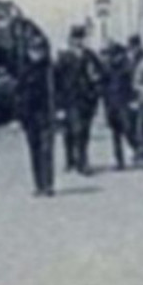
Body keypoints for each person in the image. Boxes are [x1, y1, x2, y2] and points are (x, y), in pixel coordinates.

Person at [13, 25, 59, 197]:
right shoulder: (24, 71)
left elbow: (58, 91)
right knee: (34, 151)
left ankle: (48, 184)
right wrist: (18, 117)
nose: (36, 54)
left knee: (47, 150)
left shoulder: (50, 70)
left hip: (46, 114)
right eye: (33, 50)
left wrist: (59, 111)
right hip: (30, 118)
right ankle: (38, 184)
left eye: (39, 50)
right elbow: (18, 95)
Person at [55, 24, 103, 175]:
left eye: (81, 38)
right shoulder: (64, 57)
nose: (78, 42)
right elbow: (56, 81)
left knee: (84, 130)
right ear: (70, 40)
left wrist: (96, 86)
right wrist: (58, 105)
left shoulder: (90, 55)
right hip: (69, 99)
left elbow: (101, 73)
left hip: (87, 99)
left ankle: (78, 159)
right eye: (75, 38)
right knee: (74, 130)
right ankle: (78, 161)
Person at [100, 39, 135, 169]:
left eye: (115, 54)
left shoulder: (127, 67)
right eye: (111, 55)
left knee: (128, 128)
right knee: (115, 133)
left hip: (124, 102)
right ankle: (119, 160)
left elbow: (132, 84)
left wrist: (133, 99)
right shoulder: (107, 68)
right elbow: (102, 84)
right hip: (110, 103)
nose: (113, 58)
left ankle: (136, 149)